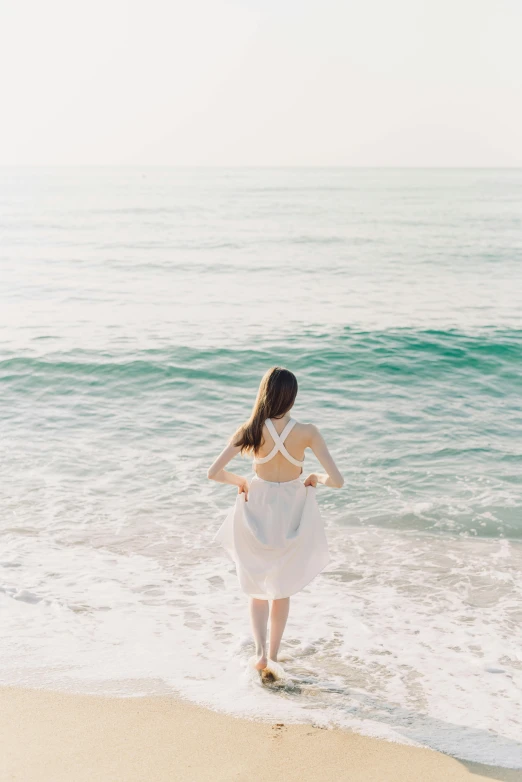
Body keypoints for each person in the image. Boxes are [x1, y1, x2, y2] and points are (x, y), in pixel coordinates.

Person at [207, 366, 344, 677]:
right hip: (292, 508)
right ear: (292, 396)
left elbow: (213, 472)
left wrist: (240, 482)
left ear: (264, 393)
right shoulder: (308, 432)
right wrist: (315, 478)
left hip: (258, 505)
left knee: (256, 586)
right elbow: (337, 480)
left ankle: (258, 654)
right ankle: (274, 655)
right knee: (281, 590)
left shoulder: (250, 429)